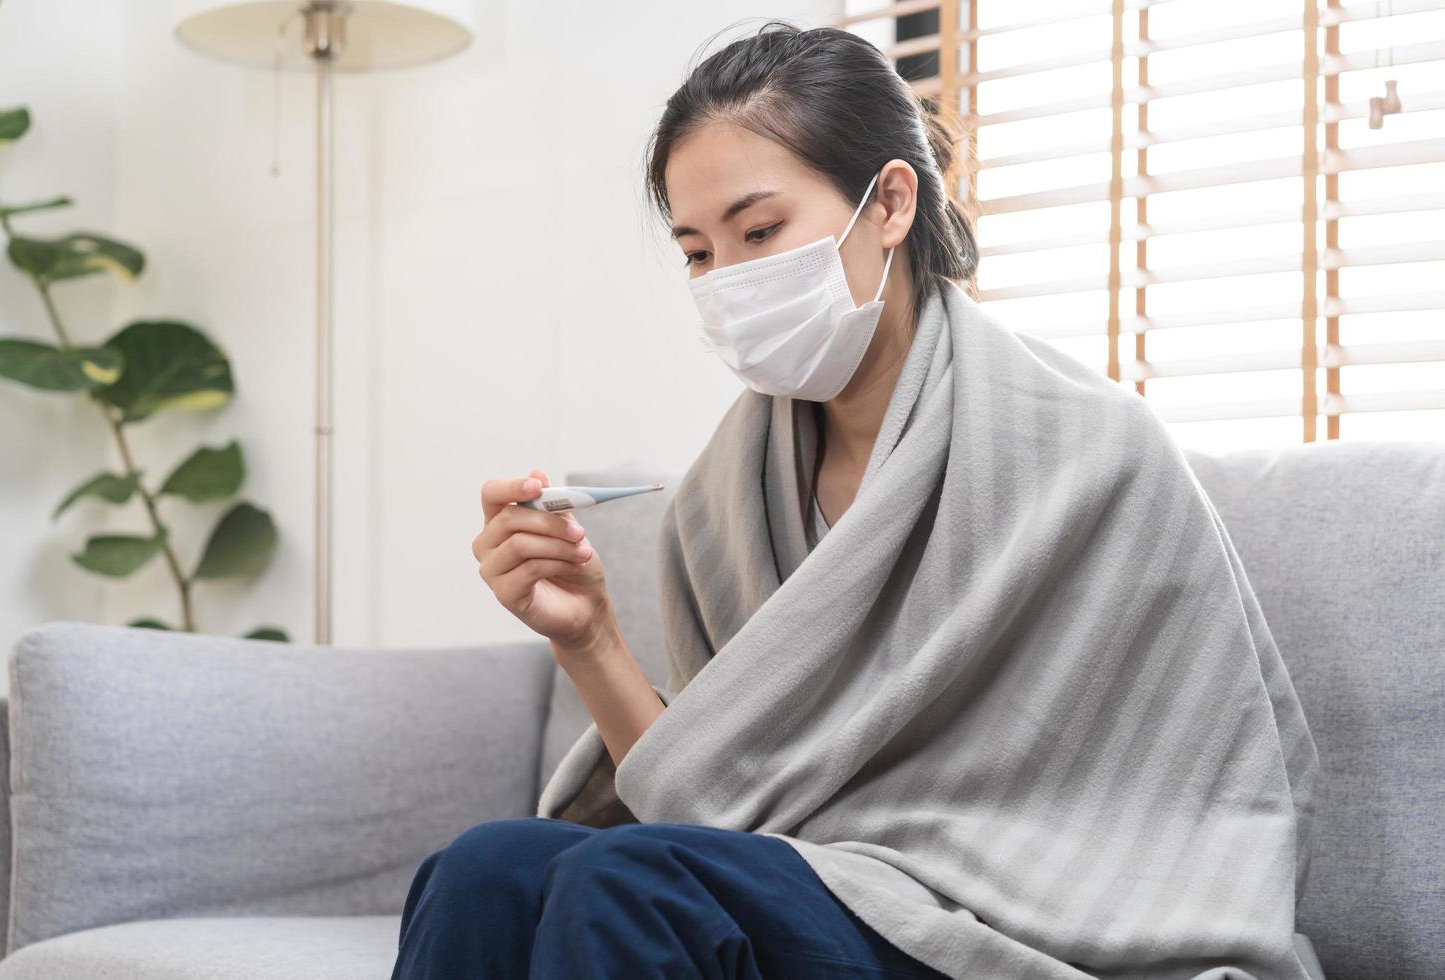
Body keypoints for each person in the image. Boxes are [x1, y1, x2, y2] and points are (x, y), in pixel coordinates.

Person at [393, 18, 1321, 980]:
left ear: (888, 201)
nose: (730, 283)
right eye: (699, 254)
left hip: (1010, 924)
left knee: (627, 882)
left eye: (760, 232)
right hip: (811, 887)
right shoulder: (724, 502)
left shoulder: (1089, 455)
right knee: (486, 867)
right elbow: (711, 803)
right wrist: (586, 638)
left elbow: (1194, 798)